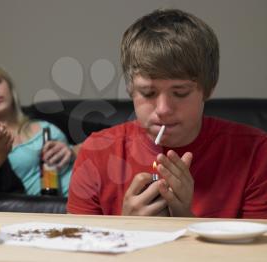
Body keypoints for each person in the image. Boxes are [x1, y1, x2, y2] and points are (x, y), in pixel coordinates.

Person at [67, 9, 267, 218]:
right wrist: (125, 227)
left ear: (207, 90)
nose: (163, 109)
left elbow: (257, 250)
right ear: (131, 89)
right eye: (148, 92)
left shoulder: (257, 152)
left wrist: (183, 220)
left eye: (180, 93)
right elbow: (77, 247)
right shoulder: (96, 152)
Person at [0, 59, 79, 209]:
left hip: (99, 184)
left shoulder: (43, 114)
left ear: (8, 84)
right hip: (62, 207)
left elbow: (109, 135)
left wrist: (73, 151)